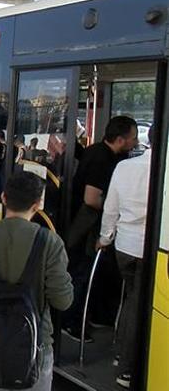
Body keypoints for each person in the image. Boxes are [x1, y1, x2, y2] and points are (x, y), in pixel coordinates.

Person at [0, 172, 73, 391]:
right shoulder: (51, 242)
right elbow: (63, 300)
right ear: (38, 204)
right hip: (34, 347)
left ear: (3, 198)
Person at [63, 116, 138, 342]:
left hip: (87, 227)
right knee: (81, 275)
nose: (136, 143)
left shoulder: (99, 151)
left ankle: (91, 315)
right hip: (86, 229)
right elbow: (91, 198)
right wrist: (117, 207)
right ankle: (72, 322)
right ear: (119, 139)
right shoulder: (101, 159)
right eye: (133, 138)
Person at [97, 126, 153, 389]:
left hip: (124, 246)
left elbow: (111, 208)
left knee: (129, 298)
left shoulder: (125, 167)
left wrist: (105, 237)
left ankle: (121, 353)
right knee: (137, 304)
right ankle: (129, 366)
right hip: (147, 249)